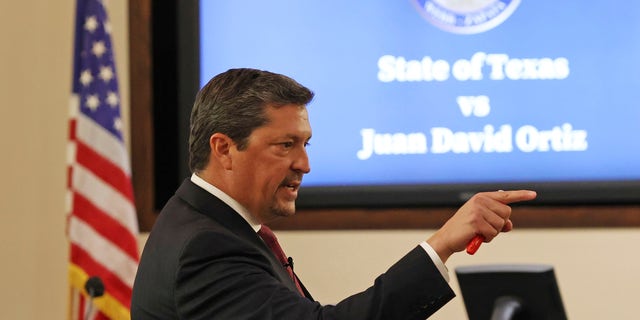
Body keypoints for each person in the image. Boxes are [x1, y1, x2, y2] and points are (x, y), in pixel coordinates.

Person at [130, 68, 537, 319]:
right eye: (285, 145)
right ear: (224, 149)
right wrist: (441, 245)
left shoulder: (196, 218)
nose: (304, 165)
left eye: (306, 144)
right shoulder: (208, 247)